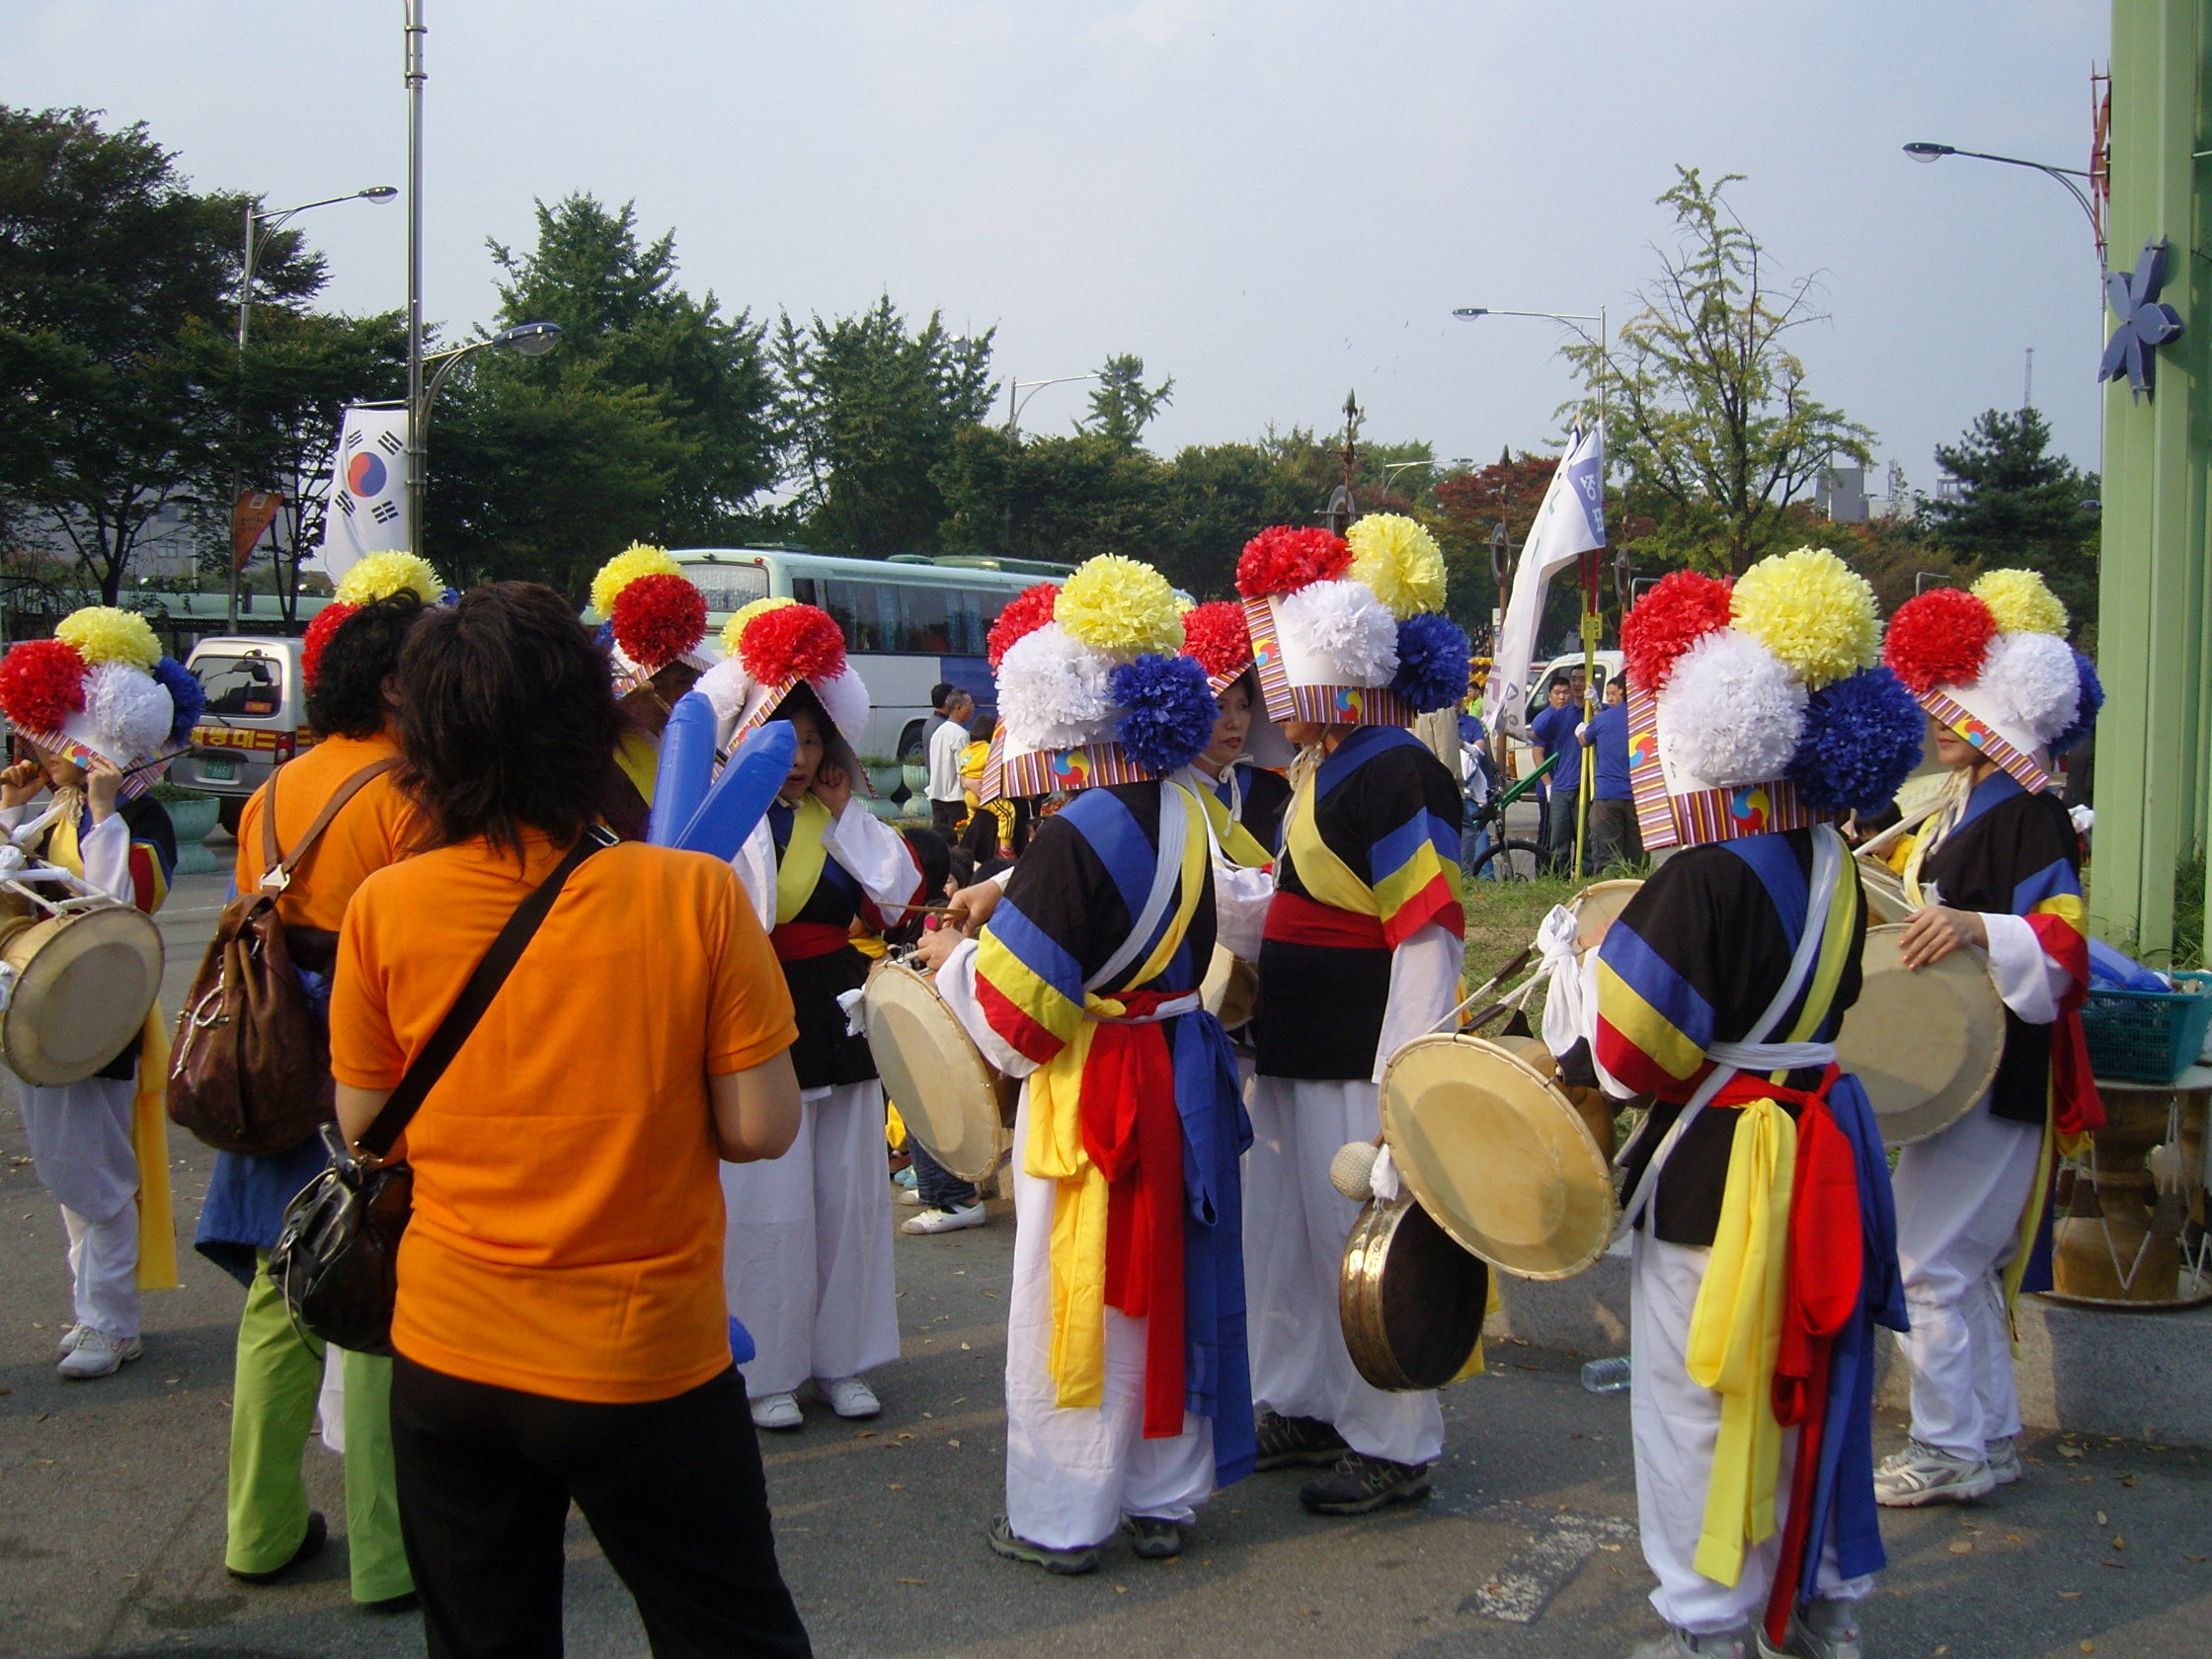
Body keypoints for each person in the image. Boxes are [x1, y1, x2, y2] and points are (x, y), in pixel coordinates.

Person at [329, 581, 813, 1659]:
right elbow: (760, 1127)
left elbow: (367, 1125)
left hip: (449, 1352)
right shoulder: (690, 896)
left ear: (426, 738)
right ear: (591, 724)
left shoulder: (385, 906)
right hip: (643, 1358)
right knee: (727, 1633)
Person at [1562, 554, 1923, 1659]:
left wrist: (1583, 976)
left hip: (1720, 1165)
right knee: (1805, 1384)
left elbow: (1630, 1057)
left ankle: (1709, 1623)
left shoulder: (1705, 874)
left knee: (1696, 1399)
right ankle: (1814, 1606)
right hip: (1819, 1145)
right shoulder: (1831, 858)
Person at [914, 555, 1251, 1574]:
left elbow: (1013, 1023)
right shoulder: (1192, 811)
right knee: (1171, 1279)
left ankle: (1063, 1514)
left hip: (1096, 1087)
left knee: (1081, 1289)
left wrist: (951, 958)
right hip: (1180, 1072)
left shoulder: (1073, 835)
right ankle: (1163, 1494)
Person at [196, 557, 439, 1611]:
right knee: (374, 1282)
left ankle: (257, 1531)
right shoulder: (410, 794)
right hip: (367, 1040)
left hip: (272, 1047)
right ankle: (388, 1556)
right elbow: (426, 942)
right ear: (393, 686)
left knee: (279, 1284)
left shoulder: (276, 789)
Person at [1235, 518, 1471, 1517]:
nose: (1268, 696)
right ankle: (1302, 1402)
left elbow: (1426, 937)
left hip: (1356, 1062)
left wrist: (1400, 1089)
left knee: (1364, 1245)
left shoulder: (1399, 771)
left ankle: (1393, 1442)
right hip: (1293, 1049)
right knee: (1286, 1245)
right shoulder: (1321, 769)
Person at [1872, 572, 2104, 1511]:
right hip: (1962, 1061)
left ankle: (1949, 1445)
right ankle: (1989, 1436)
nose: (1937, 718)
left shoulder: (2029, 812)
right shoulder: (1970, 798)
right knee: (1956, 1262)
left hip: (2000, 1067)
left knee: (1923, 1263)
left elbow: (2065, 950)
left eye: (1955, 703)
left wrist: (1975, 927)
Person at [695, 599, 927, 1429]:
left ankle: (844, 1361)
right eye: (781, 739)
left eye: (811, 741)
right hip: (758, 1012)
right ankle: (766, 1369)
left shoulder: (839, 818)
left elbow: (899, 897)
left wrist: (840, 816)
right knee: (770, 1205)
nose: (798, 759)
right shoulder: (725, 818)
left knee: (850, 1200)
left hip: (839, 1013)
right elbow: (744, 914)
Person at [0, 606, 187, 1382]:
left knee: (99, 1178)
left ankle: (111, 1322)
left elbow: (120, 913)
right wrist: (10, 815)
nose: (39, 754)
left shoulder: (141, 817)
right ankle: (94, 1311)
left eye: (54, 744)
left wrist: (106, 815)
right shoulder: (54, 811)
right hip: (42, 1010)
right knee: (67, 1175)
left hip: (102, 1019)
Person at [590, 542, 713, 836]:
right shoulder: (601, 753)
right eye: (657, 685)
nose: (671, 699)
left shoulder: (710, 738)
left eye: (684, 682)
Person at [1579, 672, 1642, 873]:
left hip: (1608, 796)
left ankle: (1609, 891)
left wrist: (1580, 730)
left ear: (1621, 691)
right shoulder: (1645, 719)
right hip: (1640, 797)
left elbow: (1584, 740)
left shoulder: (1603, 719)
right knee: (1637, 859)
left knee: (1607, 859)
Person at [1528, 674, 1581, 871]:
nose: (1562, 697)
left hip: (1571, 783)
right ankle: (1543, 874)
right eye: (1557, 693)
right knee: (1549, 835)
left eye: (1565, 692)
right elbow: (1537, 752)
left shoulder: (1574, 714)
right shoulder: (1547, 718)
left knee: (1575, 835)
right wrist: (1548, 785)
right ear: (1549, 695)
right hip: (1551, 787)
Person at [926, 687, 974, 838]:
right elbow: (963, 769)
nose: (973, 708)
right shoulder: (961, 736)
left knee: (938, 839)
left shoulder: (939, 732)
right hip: (955, 799)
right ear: (959, 708)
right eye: (970, 704)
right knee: (956, 839)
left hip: (936, 795)